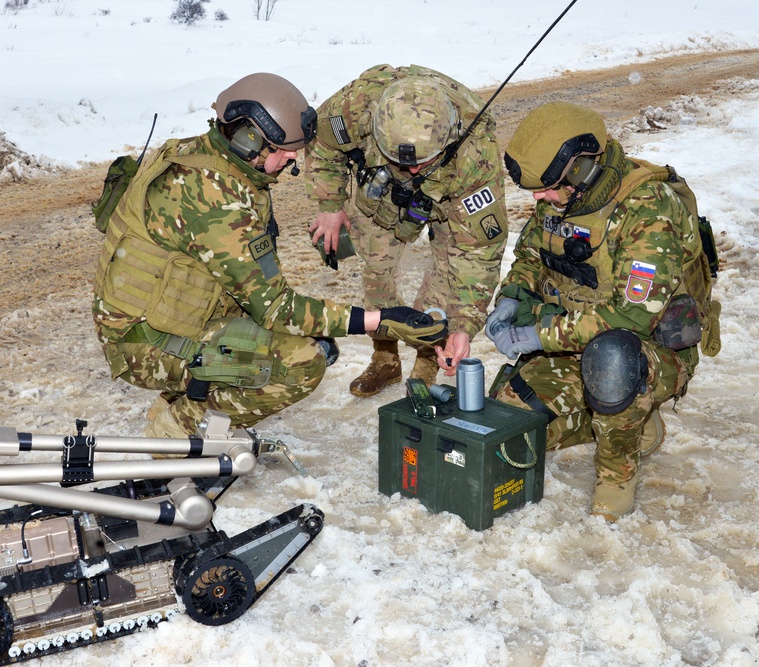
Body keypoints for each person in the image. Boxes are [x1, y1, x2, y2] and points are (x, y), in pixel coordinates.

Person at [91, 72, 447, 438]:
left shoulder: (207, 159)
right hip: (143, 342)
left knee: (306, 337)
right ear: (249, 139)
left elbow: (255, 287)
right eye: (284, 151)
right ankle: (179, 429)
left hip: (167, 318)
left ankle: (176, 402)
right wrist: (382, 320)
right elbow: (277, 307)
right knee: (301, 361)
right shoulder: (216, 201)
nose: (292, 160)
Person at [485, 101, 719, 521]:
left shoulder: (648, 210)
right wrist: (513, 294)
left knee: (612, 362)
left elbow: (631, 317)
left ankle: (618, 469)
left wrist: (539, 335)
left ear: (581, 168)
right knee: (511, 428)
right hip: (572, 342)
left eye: (547, 186)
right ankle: (618, 419)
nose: (539, 197)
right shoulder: (561, 198)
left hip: (646, 351)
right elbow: (531, 255)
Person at [304, 64, 508, 397]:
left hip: (447, 198)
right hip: (382, 194)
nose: (412, 169)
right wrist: (330, 206)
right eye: (402, 160)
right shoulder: (356, 107)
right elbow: (323, 146)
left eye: (421, 162)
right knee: (376, 273)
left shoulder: (475, 157)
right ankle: (385, 358)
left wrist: (462, 327)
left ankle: (428, 361)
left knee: (445, 276)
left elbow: (477, 254)